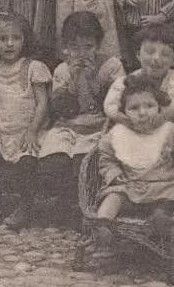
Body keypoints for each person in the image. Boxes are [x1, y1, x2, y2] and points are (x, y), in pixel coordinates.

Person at [91, 77, 174, 249]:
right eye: (134, 108)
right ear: (124, 113)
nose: (142, 112)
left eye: (149, 106)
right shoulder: (119, 133)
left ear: (159, 108)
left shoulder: (169, 130)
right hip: (131, 187)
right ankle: (103, 225)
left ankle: (160, 221)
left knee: (169, 201)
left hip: (163, 186)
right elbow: (106, 158)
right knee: (114, 196)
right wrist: (114, 174)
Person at [0, 12, 52, 230]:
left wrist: (33, 130)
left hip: (26, 130)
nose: (10, 44)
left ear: (25, 40)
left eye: (16, 38)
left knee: (27, 162)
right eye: (2, 39)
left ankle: (25, 205)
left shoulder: (34, 67)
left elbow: (42, 102)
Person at [37, 12, 126, 210]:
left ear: (98, 45)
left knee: (85, 164)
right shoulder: (62, 70)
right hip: (69, 126)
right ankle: (66, 203)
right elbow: (63, 110)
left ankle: (84, 204)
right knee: (54, 161)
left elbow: (118, 105)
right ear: (65, 48)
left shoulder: (112, 66)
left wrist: (92, 83)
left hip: (100, 127)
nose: (82, 53)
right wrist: (77, 79)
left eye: (88, 47)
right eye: (74, 47)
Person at [102, 24, 174, 129]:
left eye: (165, 54)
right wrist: (123, 119)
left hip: (171, 130)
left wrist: (162, 118)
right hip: (135, 128)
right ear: (138, 54)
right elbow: (110, 103)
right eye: (150, 52)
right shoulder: (129, 79)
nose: (156, 58)